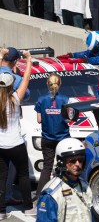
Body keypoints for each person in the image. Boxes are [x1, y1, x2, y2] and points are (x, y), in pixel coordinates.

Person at [0, 48, 36, 219]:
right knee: (22, 174)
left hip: (0, 145)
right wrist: (28, 59)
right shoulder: (15, 99)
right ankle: (28, 208)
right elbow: (27, 79)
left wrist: (1, 55)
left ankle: (1, 212)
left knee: (1, 177)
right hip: (15, 143)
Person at [36, 138, 93, 222]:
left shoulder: (85, 185)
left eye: (80, 160)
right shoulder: (51, 195)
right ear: (61, 162)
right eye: (72, 161)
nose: (77, 164)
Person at [34, 73, 70, 198]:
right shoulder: (65, 99)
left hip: (47, 138)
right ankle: (65, 194)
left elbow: (39, 120)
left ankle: (40, 196)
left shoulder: (41, 99)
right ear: (60, 84)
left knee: (47, 167)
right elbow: (69, 119)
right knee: (64, 167)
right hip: (63, 138)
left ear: (47, 84)